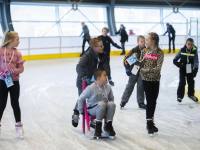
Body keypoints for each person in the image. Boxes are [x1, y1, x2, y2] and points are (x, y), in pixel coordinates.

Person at [72, 38, 110, 128]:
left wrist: (107, 76)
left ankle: (92, 119)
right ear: (95, 48)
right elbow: (79, 66)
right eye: (101, 46)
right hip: (83, 81)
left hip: (95, 81)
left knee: (94, 99)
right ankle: (76, 113)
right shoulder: (87, 55)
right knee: (82, 98)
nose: (103, 47)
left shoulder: (102, 55)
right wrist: (84, 77)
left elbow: (106, 67)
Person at [0, 30, 25, 139]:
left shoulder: (18, 53)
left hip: (14, 81)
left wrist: (14, 70)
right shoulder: (1, 51)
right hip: (2, 81)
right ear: (10, 40)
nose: (19, 42)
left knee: (15, 103)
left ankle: (18, 125)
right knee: (1, 103)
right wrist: (1, 72)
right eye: (17, 40)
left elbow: (21, 68)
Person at [78, 69, 116, 138]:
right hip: (93, 109)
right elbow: (81, 99)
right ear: (98, 78)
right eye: (104, 75)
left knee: (112, 104)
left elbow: (111, 99)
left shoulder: (108, 87)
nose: (107, 76)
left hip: (103, 108)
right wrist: (81, 110)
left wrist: (110, 107)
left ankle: (108, 126)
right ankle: (98, 128)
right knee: (101, 104)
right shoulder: (91, 88)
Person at [140, 32, 164, 136]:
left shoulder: (159, 53)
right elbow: (141, 63)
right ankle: (149, 123)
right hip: (146, 80)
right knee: (150, 100)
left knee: (154, 101)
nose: (145, 41)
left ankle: (151, 121)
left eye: (147, 40)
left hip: (155, 80)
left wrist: (144, 70)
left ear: (153, 41)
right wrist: (136, 61)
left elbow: (158, 69)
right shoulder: (144, 51)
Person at [120, 35, 146, 109]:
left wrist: (144, 70)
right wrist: (127, 68)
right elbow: (125, 59)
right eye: (141, 41)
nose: (143, 43)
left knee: (141, 86)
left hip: (142, 71)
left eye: (144, 41)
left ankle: (141, 102)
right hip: (134, 69)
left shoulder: (147, 50)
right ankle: (123, 101)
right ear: (137, 42)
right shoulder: (134, 50)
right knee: (130, 85)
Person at [173, 38, 199, 103]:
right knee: (182, 82)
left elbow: (196, 61)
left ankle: (191, 95)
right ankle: (180, 96)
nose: (190, 46)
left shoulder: (194, 51)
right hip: (182, 68)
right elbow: (176, 58)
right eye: (188, 44)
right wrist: (177, 63)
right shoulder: (182, 50)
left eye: (191, 44)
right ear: (186, 44)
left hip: (189, 68)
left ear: (193, 45)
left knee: (191, 82)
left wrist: (195, 69)